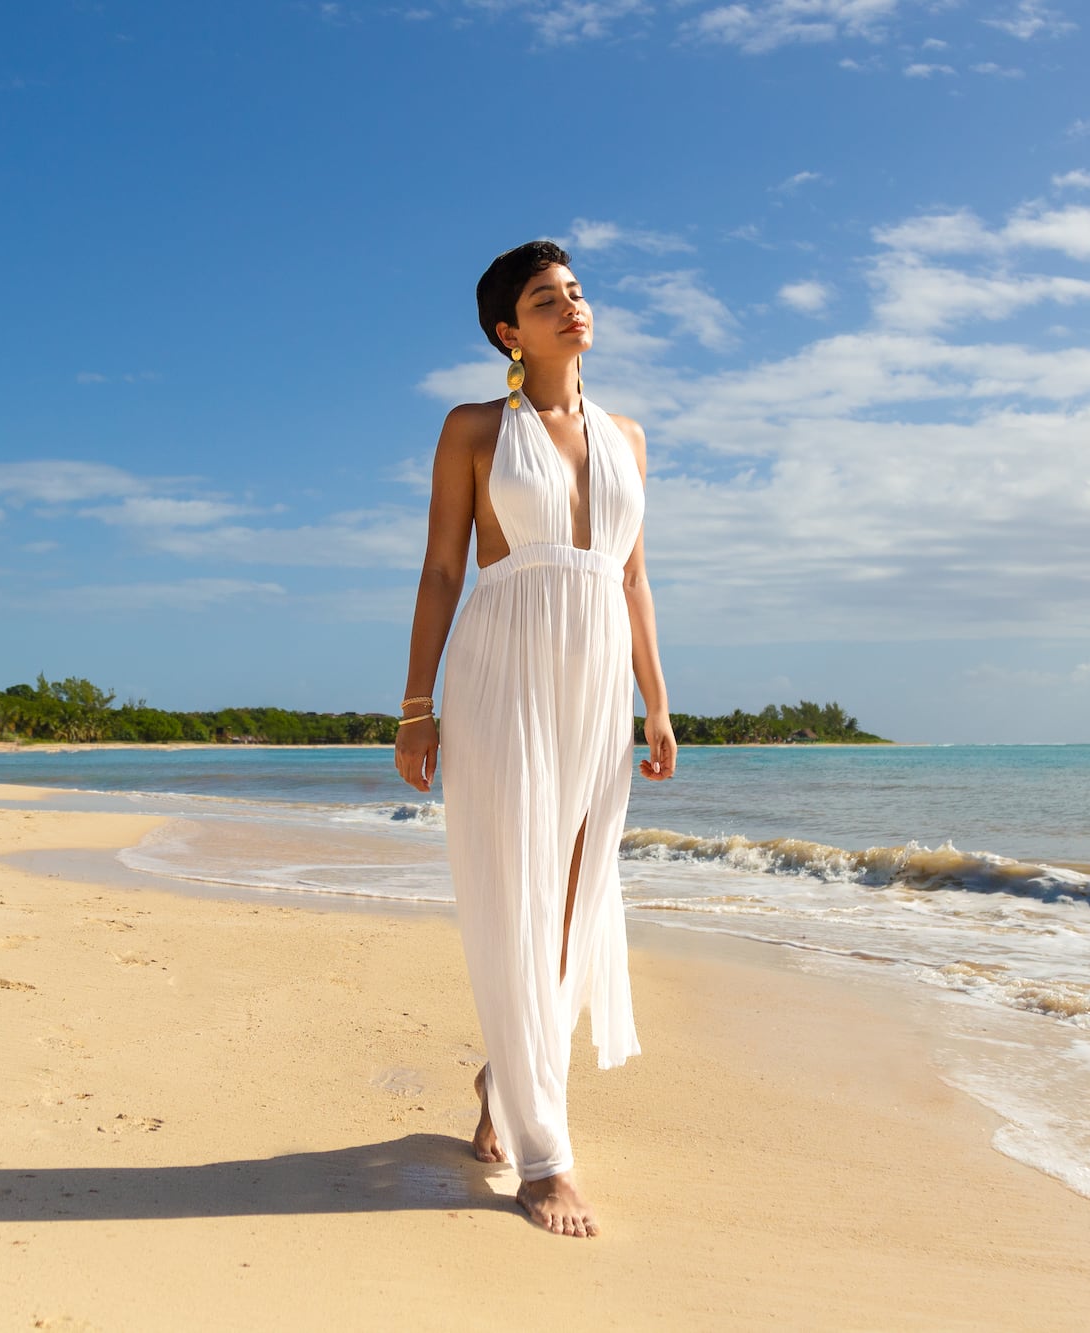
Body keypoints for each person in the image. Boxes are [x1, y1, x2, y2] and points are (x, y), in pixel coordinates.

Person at [393, 239, 677, 1238]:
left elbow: (633, 579)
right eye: (546, 298)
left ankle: (505, 1074)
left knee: (572, 901)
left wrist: (657, 700)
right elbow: (439, 572)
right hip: (501, 671)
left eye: (576, 292)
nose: (571, 306)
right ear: (509, 333)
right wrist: (414, 707)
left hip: (596, 681)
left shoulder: (629, 437)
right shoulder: (474, 428)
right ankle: (545, 1158)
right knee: (515, 895)